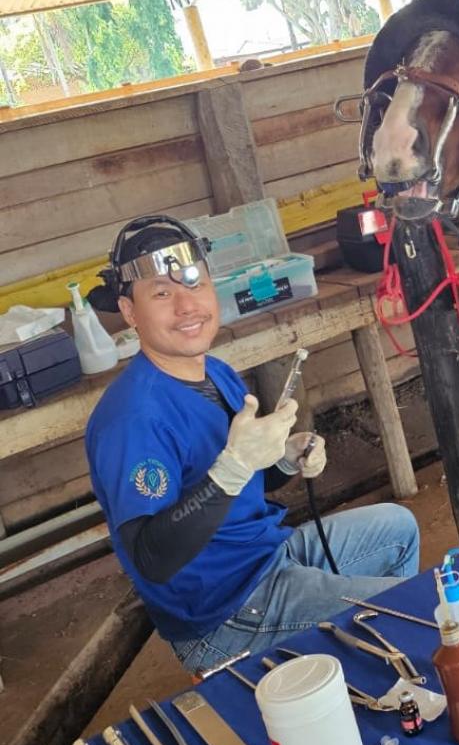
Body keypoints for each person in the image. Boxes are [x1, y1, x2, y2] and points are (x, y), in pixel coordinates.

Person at [85, 215, 419, 675]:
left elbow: (242, 487)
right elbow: (152, 558)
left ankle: (370, 666)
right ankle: (375, 659)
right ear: (129, 312)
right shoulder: (132, 419)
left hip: (266, 554)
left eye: (196, 285)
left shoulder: (213, 370)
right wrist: (235, 464)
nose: (187, 307)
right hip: (226, 608)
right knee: (406, 613)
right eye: (162, 293)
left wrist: (282, 458)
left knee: (398, 529)